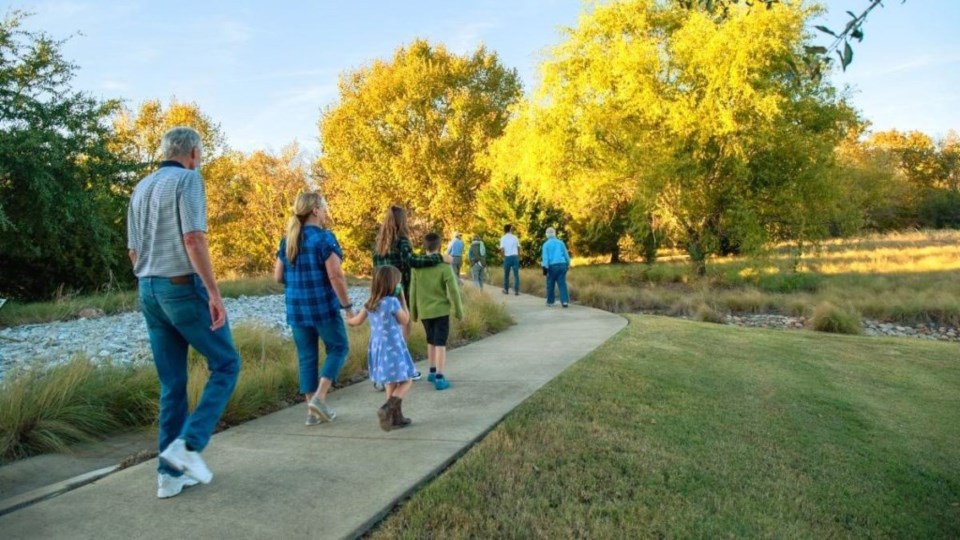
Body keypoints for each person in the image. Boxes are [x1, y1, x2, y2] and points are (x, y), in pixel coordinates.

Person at [126, 126, 241, 499]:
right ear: (192, 152)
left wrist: (150, 278)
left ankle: (168, 476)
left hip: (148, 288)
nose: (200, 159)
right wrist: (213, 291)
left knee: (172, 385)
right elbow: (193, 237)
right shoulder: (188, 180)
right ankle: (188, 447)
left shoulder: (142, 187)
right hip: (180, 287)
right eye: (201, 153)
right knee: (225, 363)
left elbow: (132, 251)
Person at [273, 192, 352, 427]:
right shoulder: (325, 239)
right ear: (316, 210)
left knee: (306, 357)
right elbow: (336, 276)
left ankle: (312, 412)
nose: (326, 211)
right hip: (322, 307)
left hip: (297, 309)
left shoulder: (287, 240)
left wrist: (297, 281)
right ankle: (319, 397)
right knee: (339, 348)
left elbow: (278, 276)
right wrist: (347, 307)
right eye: (324, 207)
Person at [372, 205, 451, 389]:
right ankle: (402, 370)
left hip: (380, 294)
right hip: (400, 293)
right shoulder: (402, 241)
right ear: (402, 221)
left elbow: (375, 270)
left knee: (383, 335)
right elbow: (413, 261)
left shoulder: (379, 243)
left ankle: (380, 375)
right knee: (402, 332)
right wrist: (439, 258)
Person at [346, 265, 416, 431]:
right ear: (393, 284)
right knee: (406, 380)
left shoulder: (370, 303)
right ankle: (387, 408)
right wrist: (403, 299)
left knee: (390, 382)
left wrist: (348, 317)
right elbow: (405, 320)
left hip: (378, 348)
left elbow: (355, 322)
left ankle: (394, 419)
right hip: (393, 347)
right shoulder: (392, 302)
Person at [410, 233, 464, 390]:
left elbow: (412, 291)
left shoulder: (416, 268)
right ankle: (440, 376)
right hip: (440, 311)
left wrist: (413, 311)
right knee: (440, 343)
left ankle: (432, 371)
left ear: (424, 246)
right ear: (440, 247)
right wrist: (459, 310)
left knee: (430, 340)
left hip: (424, 311)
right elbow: (453, 290)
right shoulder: (444, 267)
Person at [540, 227, 571, 308]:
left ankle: (550, 302)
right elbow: (566, 255)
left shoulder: (545, 245)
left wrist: (545, 270)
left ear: (546, 234)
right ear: (555, 233)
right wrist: (568, 263)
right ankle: (564, 301)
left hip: (552, 267)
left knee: (550, 284)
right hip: (562, 265)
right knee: (562, 284)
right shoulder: (561, 243)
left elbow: (545, 259)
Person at [499, 224, 521, 295]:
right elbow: (518, 247)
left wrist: (503, 256)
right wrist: (518, 256)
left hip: (507, 257)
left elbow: (502, 249)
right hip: (515, 257)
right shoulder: (515, 237)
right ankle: (516, 290)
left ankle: (506, 289)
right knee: (516, 274)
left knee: (506, 275)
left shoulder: (503, 238)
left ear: (504, 230)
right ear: (510, 230)